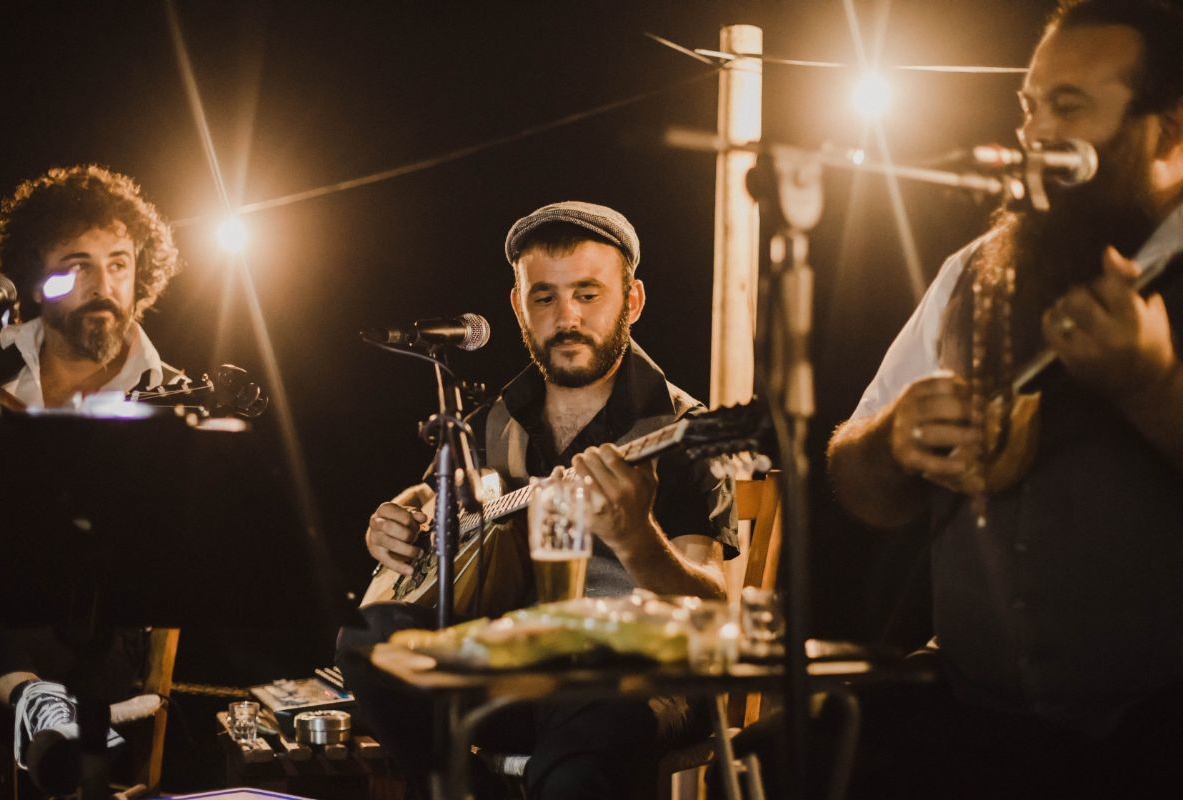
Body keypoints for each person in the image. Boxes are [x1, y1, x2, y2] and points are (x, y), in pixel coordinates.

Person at [824, 0, 1183, 794]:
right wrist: (894, 441)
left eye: (1069, 107)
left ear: (1169, 130)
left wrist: (1154, 385)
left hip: (1156, 740)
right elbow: (852, 476)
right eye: (1030, 106)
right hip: (975, 726)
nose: (1034, 134)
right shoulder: (970, 273)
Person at [338, 201, 738, 799]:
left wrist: (636, 538)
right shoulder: (494, 417)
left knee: (584, 747)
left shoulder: (682, 431)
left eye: (587, 294)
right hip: (514, 669)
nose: (566, 318)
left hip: (630, 681)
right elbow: (433, 495)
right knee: (368, 639)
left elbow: (710, 612)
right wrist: (398, 518)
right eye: (544, 297)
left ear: (632, 301)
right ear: (517, 306)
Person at [0, 164, 183, 794]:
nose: (104, 286)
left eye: (119, 264)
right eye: (80, 265)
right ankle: (36, 704)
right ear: (36, 278)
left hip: (97, 629)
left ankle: (37, 704)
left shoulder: (175, 397)